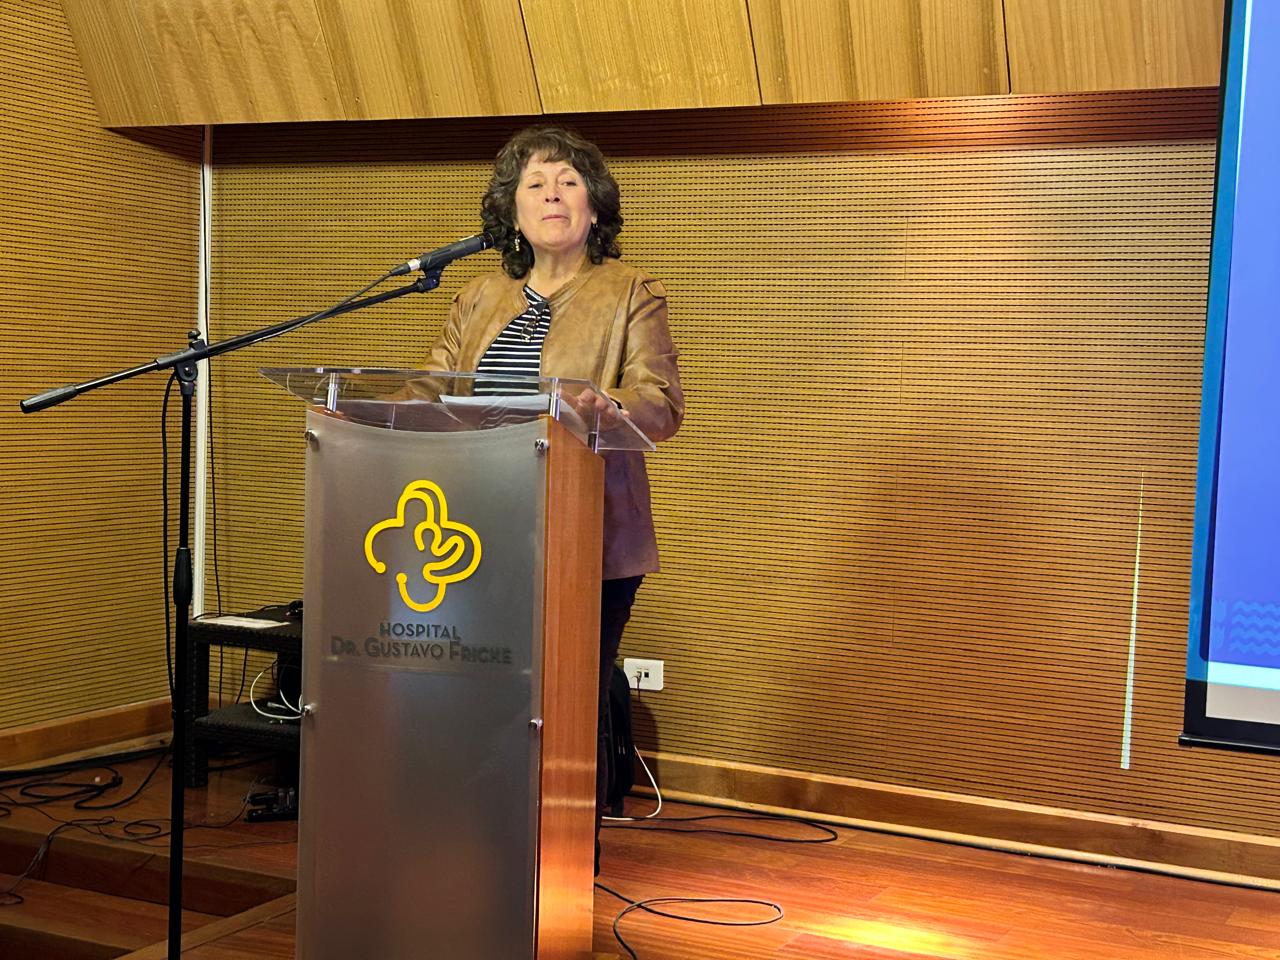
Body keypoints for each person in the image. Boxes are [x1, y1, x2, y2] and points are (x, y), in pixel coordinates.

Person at [424, 126, 684, 872]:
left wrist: (601, 405)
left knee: (564, 702)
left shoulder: (629, 291)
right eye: (534, 184)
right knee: (482, 697)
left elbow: (661, 405)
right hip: (476, 532)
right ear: (510, 208)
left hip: (584, 536)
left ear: (594, 206)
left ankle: (561, 871)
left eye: (568, 182)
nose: (552, 196)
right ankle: (478, 858)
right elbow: (431, 392)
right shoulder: (478, 297)